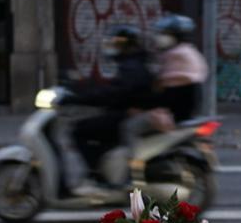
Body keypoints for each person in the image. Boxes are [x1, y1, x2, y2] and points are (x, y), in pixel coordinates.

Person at [67, 26, 160, 192]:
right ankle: (107, 171)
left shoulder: (132, 67)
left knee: (79, 130)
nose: (113, 47)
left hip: (127, 115)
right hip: (126, 112)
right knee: (98, 129)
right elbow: (113, 89)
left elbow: (115, 93)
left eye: (118, 43)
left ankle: (96, 175)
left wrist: (77, 99)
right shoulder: (132, 64)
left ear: (129, 46)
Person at [151, 14, 208, 123]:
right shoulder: (189, 52)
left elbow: (163, 83)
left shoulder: (177, 54)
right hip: (185, 107)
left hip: (176, 109)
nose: (160, 37)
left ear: (177, 36)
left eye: (165, 34)